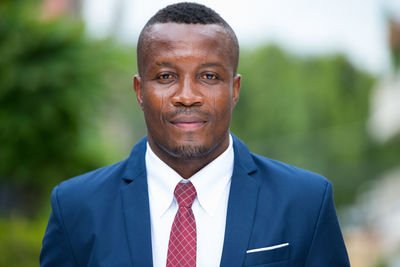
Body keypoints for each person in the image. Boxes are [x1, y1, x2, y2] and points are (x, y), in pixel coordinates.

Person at [40, 2, 350, 267]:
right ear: (139, 91)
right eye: (166, 76)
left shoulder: (305, 201)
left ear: (234, 89)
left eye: (209, 76)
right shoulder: (76, 207)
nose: (187, 96)